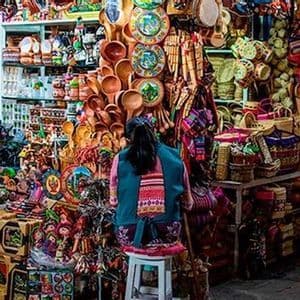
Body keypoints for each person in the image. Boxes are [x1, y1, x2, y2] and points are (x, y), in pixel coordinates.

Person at [110, 116, 193, 248]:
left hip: (127, 234)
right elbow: (188, 204)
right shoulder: (175, 156)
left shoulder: (120, 159)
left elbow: (113, 202)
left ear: (128, 139)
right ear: (153, 132)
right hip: (168, 232)